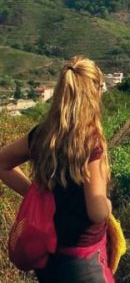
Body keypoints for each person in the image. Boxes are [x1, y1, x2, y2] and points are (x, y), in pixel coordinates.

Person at [0, 56, 114, 282]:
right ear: (95, 92)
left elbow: (2, 164)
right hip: (83, 260)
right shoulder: (91, 142)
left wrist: (36, 194)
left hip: (48, 257)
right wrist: (108, 205)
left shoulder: (42, 134)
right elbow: (97, 212)